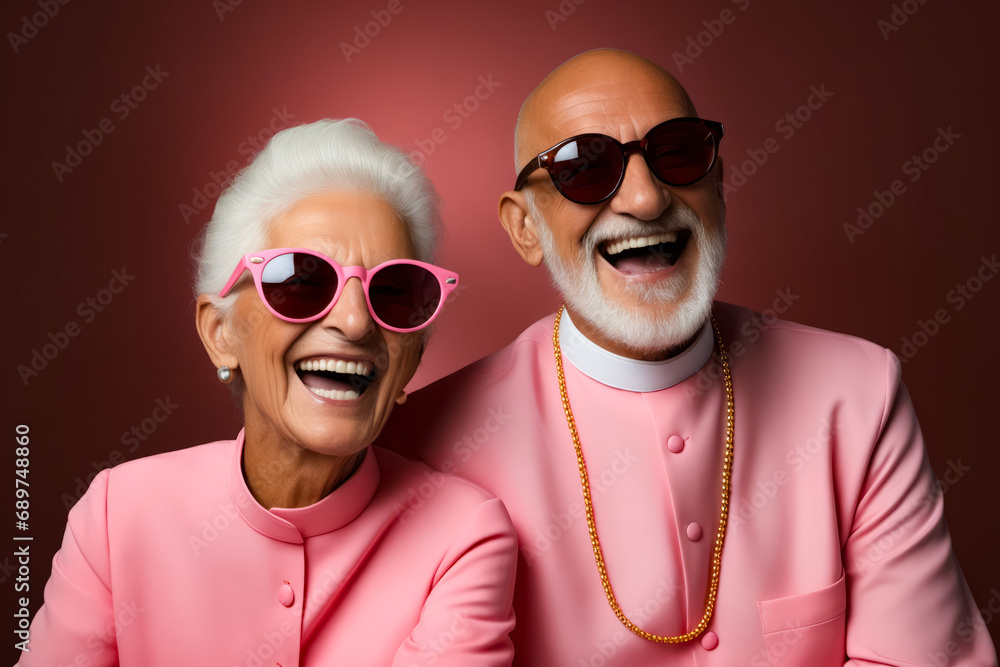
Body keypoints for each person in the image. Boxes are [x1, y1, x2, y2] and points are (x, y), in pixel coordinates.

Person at [382, 49, 998, 665]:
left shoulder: (860, 394)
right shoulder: (426, 446)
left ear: (719, 181)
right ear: (524, 229)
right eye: (586, 169)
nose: (647, 200)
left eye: (677, 153)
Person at [20, 119, 517, 666]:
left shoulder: (463, 538)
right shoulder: (118, 517)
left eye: (394, 292)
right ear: (221, 334)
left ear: (413, 358)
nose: (354, 323)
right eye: (303, 281)